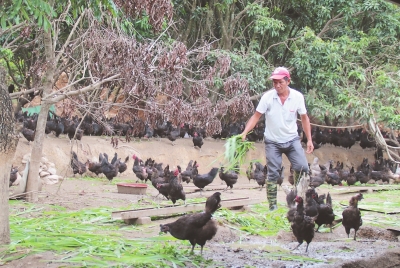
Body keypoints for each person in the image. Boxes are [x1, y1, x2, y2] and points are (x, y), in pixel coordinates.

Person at [240, 67, 314, 211]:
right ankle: (272, 206)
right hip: (272, 141)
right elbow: (256, 116)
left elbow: (304, 118)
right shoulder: (267, 97)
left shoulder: (297, 97)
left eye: (280, 82)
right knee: (273, 174)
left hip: (292, 140)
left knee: (303, 167)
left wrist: (309, 139)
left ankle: (298, 198)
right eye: (274, 82)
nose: (277, 85)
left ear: (288, 81)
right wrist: (244, 132)